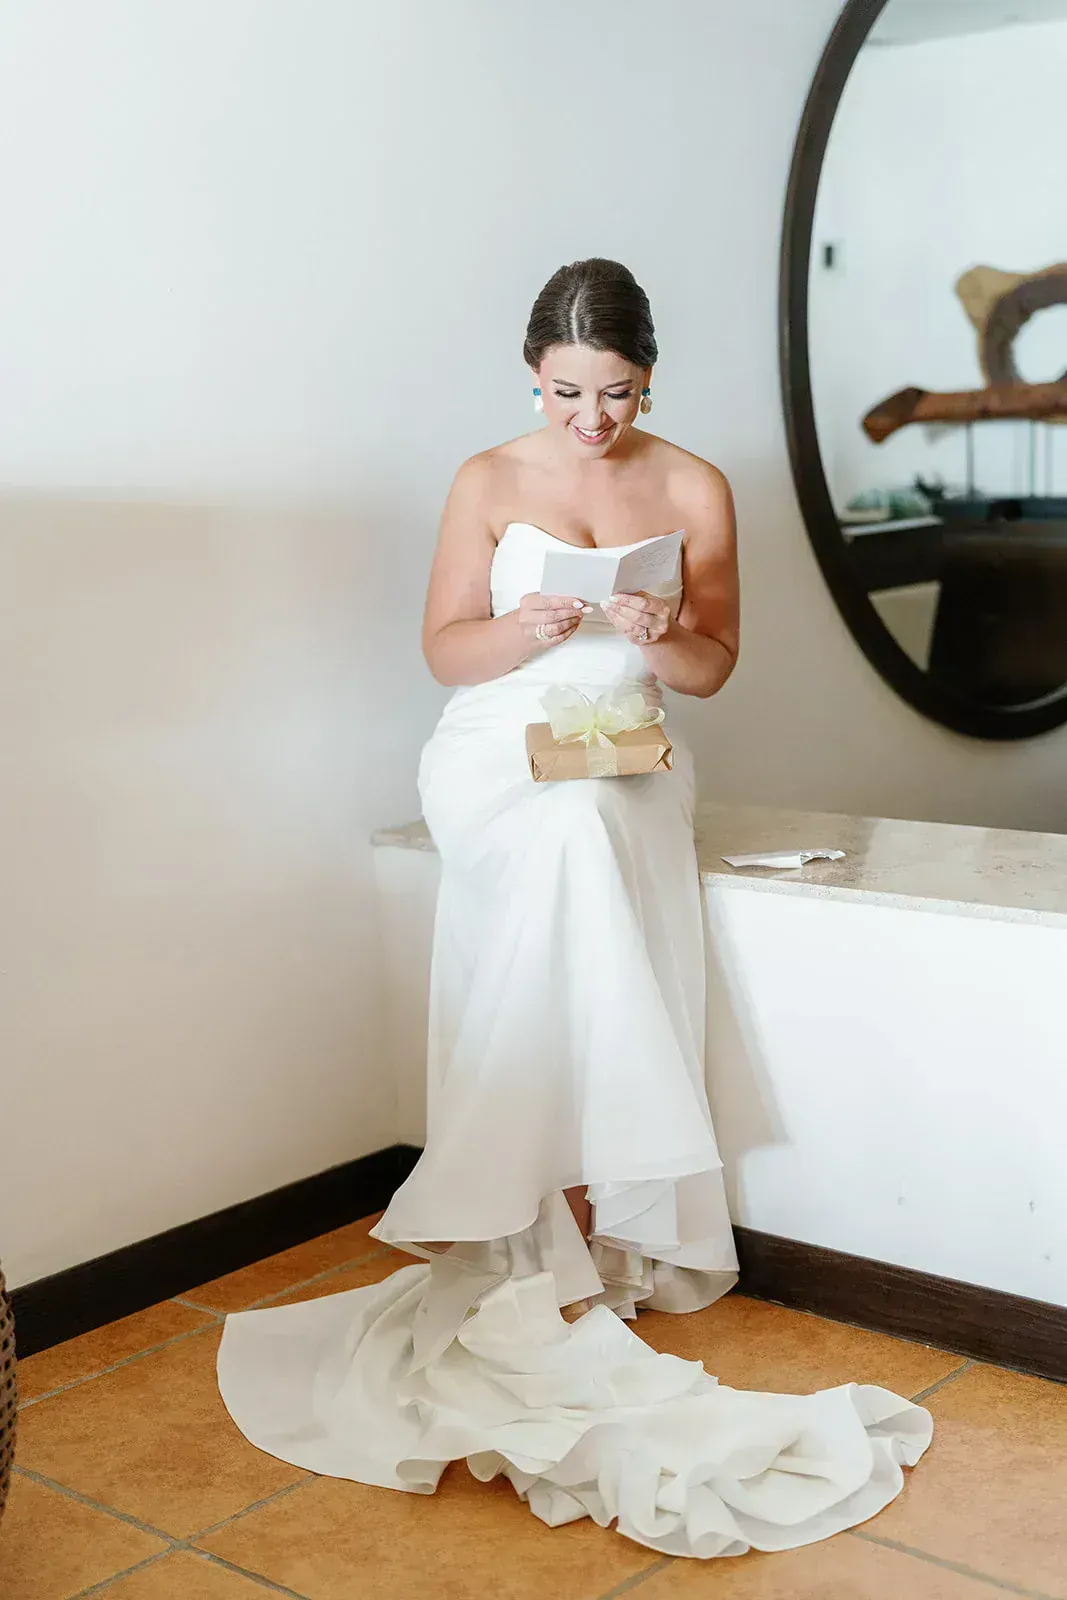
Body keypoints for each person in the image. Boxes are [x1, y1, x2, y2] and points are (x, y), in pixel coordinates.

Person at [218, 259, 930, 1559]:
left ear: (647, 381)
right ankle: (554, 1205)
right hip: (499, 744)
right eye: (565, 392)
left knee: (600, 823)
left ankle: (586, 1213)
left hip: (632, 747)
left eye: (617, 394)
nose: (591, 419)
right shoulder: (488, 480)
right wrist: (529, 632)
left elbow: (711, 668)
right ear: (530, 377)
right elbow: (442, 647)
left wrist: (656, 632)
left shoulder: (695, 484)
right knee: (564, 836)